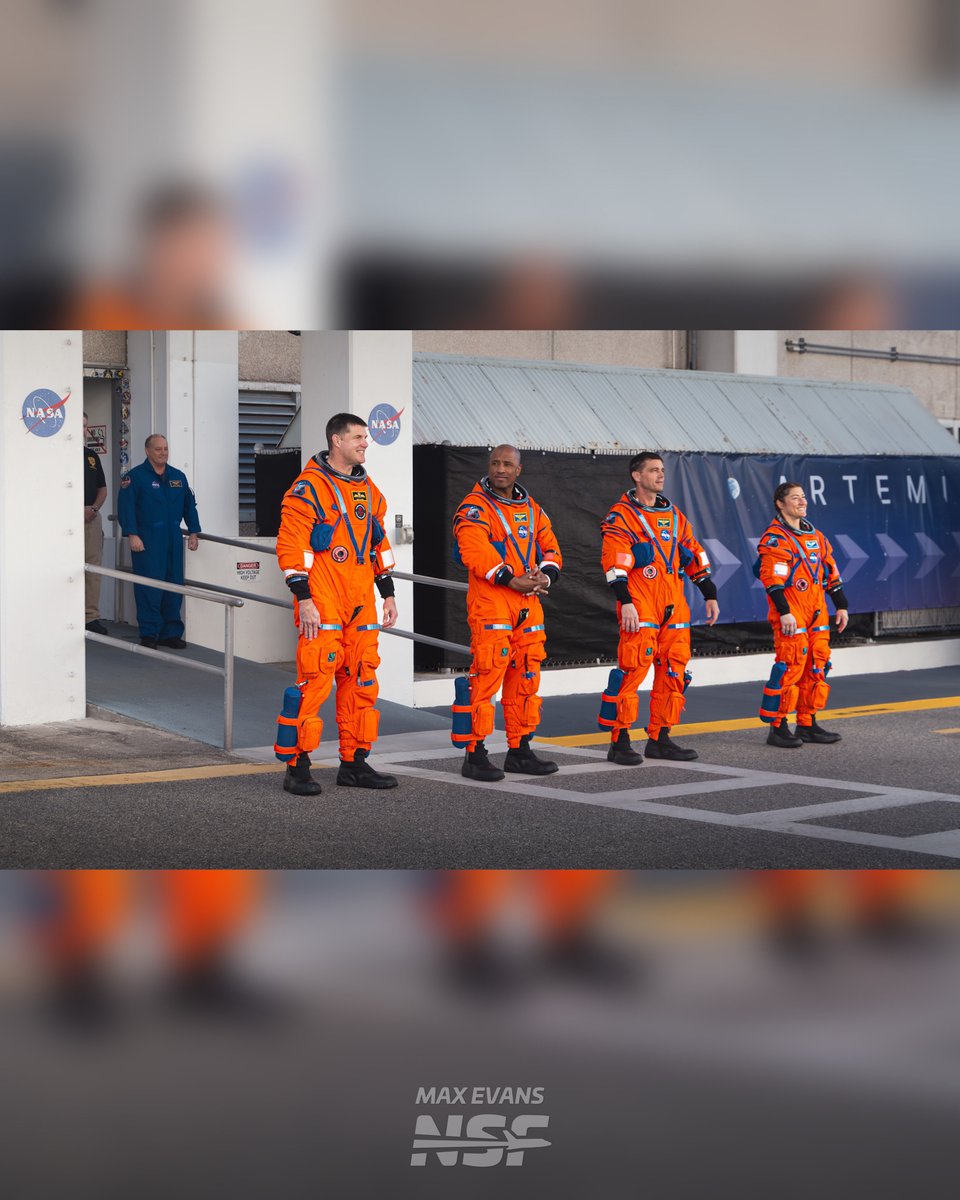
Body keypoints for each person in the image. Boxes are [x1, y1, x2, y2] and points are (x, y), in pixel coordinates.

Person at [274, 413, 399, 795]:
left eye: (365, 437)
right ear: (336, 441)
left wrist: (388, 593)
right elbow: (291, 545)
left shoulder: (368, 489)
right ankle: (298, 766)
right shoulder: (308, 488)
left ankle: (354, 763)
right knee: (315, 681)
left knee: (361, 681)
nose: (365, 443)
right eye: (358, 437)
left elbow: (377, 543)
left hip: (361, 599)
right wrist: (304, 599)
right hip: (323, 598)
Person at [598, 452, 719, 764]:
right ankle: (620, 741)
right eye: (653, 470)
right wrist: (625, 601)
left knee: (674, 672)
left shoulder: (675, 516)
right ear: (637, 476)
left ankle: (660, 738)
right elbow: (614, 564)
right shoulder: (621, 516)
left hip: (674, 605)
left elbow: (694, 554)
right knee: (632, 672)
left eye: (662, 470)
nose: (661, 475)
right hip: (640, 604)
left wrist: (709, 592)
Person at [452, 444, 562, 781]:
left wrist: (545, 575)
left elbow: (551, 547)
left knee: (526, 678)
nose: (500, 469)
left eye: (507, 464)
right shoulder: (474, 508)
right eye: (495, 463)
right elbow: (474, 550)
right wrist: (510, 580)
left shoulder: (532, 509)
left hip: (528, 604)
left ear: (519, 470)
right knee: (486, 678)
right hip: (493, 602)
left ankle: (520, 750)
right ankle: (475, 754)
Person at [757, 482, 848, 747]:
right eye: (795, 498)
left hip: (817, 611)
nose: (802, 502)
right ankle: (778, 727)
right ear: (780, 504)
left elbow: (831, 572)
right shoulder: (775, 537)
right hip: (792, 612)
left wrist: (841, 605)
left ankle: (807, 724)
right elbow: (772, 578)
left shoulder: (817, 536)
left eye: (804, 497)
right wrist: (784, 612)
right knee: (790, 667)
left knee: (817, 666)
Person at [117, 434, 201, 649]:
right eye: (158, 449)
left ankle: (170, 632)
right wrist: (132, 534)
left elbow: (189, 506)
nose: (163, 453)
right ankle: (150, 633)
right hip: (147, 539)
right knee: (149, 586)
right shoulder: (134, 477)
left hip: (173, 537)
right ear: (147, 451)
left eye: (165, 449)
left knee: (173, 584)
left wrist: (193, 532)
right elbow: (126, 508)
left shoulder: (177, 477)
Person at [82, 412, 109, 635]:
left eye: (85, 426)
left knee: (93, 568)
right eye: (80, 426)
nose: (84, 430)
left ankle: (90, 617)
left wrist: (93, 509)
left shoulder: (91, 456)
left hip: (91, 518)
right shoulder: (55, 455)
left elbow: (103, 488)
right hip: (62, 520)